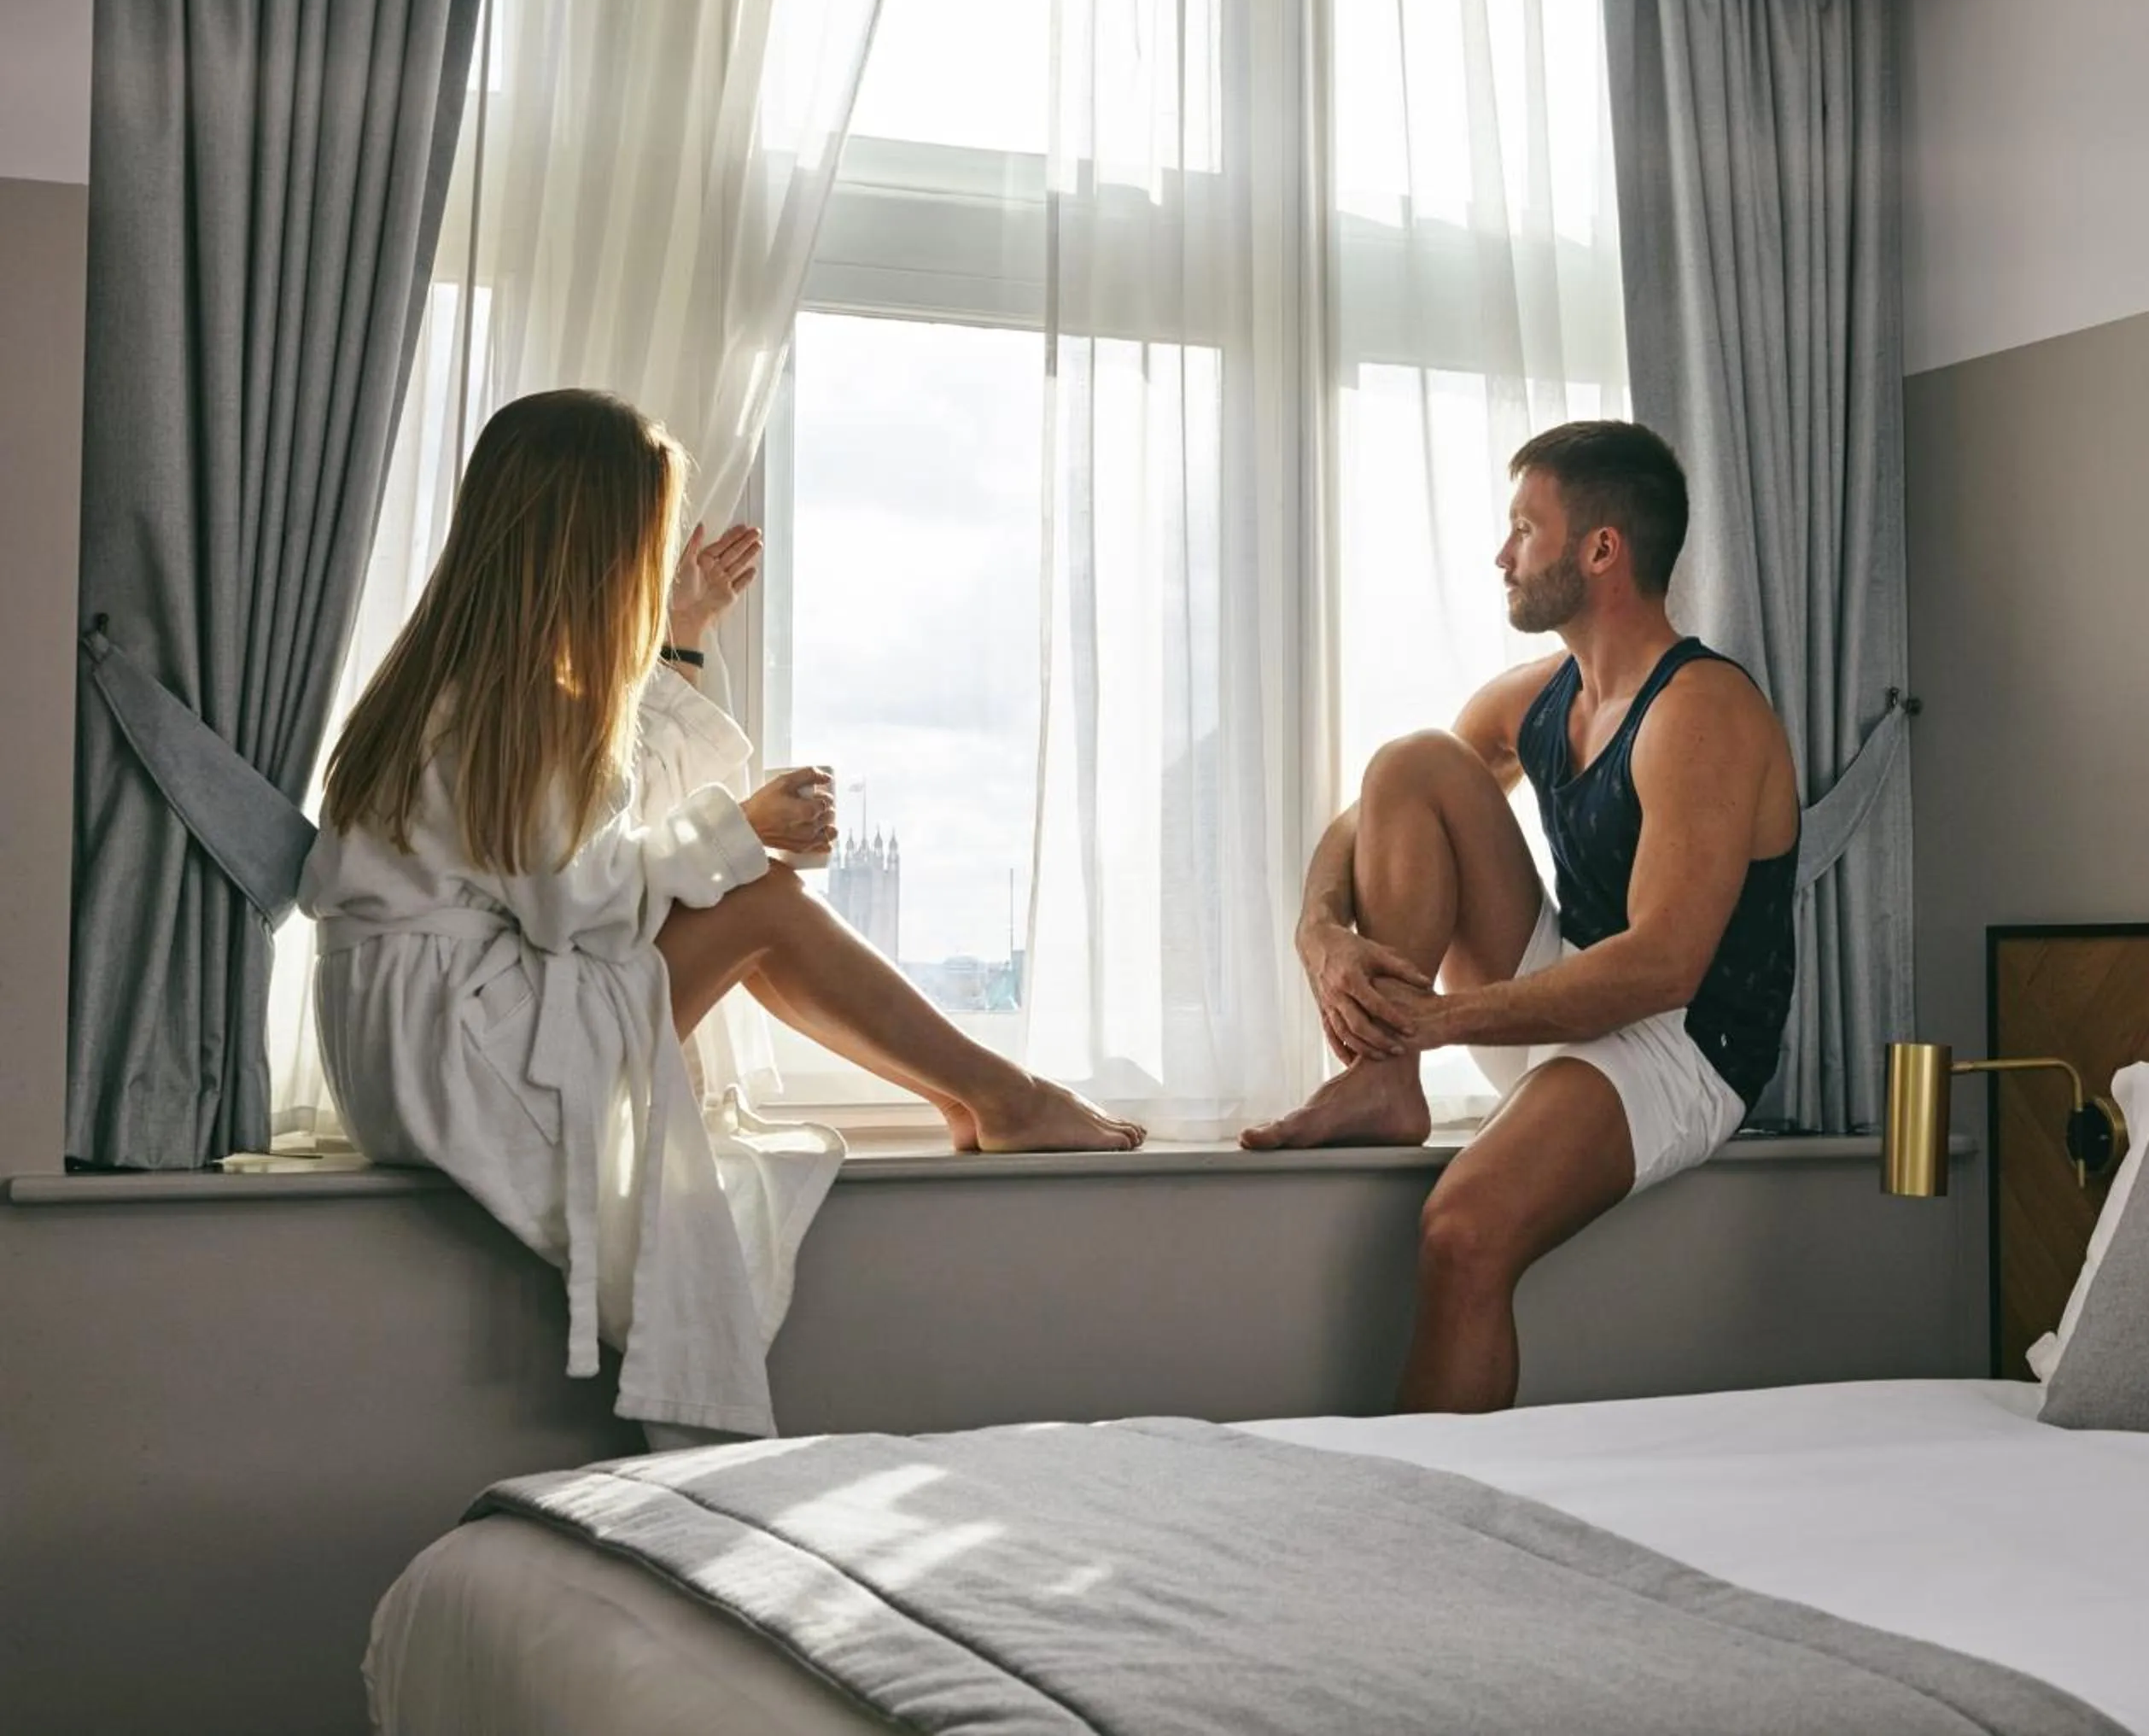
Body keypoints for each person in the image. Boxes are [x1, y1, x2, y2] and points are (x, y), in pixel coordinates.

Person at [301, 389, 1142, 1441]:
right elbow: (583, 910)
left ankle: (985, 1092)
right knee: (763, 902)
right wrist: (738, 831)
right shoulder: (517, 707)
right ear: (595, 549)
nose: (650, 577)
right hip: (470, 1056)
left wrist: (684, 641)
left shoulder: (449, 687)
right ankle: (1001, 1094)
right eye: (644, 553)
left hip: (415, 1051)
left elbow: (593, 847)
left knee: (749, 894)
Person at [1244, 420, 1799, 1415]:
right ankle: (1382, 1085)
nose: (1503, 556)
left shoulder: (1701, 711)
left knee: (1463, 1227)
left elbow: (1663, 967)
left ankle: (1438, 1528)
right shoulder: (1545, 693)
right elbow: (1381, 810)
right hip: (1564, 989)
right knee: (1413, 760)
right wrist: (1320, 926)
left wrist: (1439, 1019)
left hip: (1678, 1043)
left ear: (1600, 550)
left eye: (1523, 529)